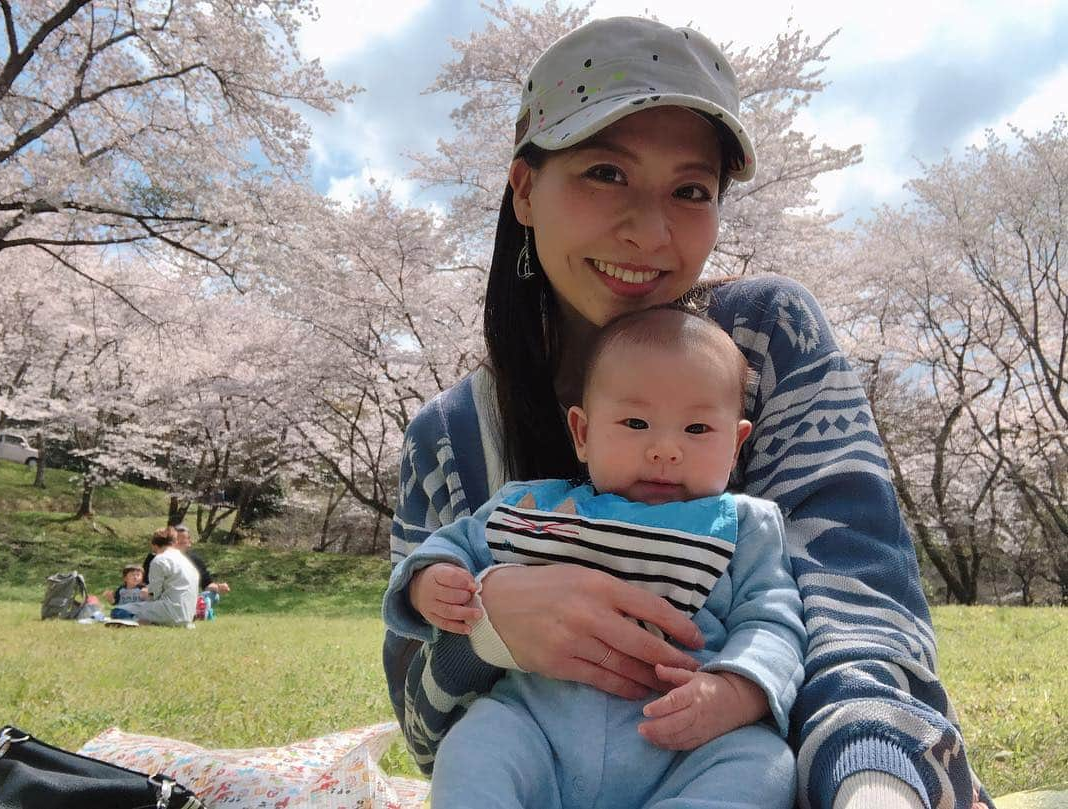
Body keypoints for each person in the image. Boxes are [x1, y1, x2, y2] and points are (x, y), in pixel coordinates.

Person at [383, 15, 991, 809]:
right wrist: (489, 622)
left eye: (691, 190)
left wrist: (871, 781)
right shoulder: (448, 438)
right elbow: (427, 731)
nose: (651, 230)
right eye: (606, 172)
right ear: (525, 190)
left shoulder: (765, 340)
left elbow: (857, 604)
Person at [385, 307, 806, 808]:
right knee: (475, 745)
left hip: (683, 746)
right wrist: (431, 579)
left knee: (765, 766)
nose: (665, 449)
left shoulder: (744, 526)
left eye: (697, 429)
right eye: (635, 422)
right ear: (582, 433)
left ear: (736, 444)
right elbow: (459, 542)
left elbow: (773, 618)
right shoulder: (532, 506)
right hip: (539, 728)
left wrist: (739, 690)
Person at [117, 528, 199, 626]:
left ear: (154, 545)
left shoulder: (159, 560)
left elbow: (153, 594)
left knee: (118, 610)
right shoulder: (186, 561)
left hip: (170, 613)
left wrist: (146, 593)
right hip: (188, 616)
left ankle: (140, 621)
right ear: (174, 542)